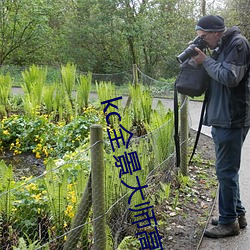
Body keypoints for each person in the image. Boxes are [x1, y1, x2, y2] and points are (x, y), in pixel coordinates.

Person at [192, 15, 250, 238]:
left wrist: (205, 61)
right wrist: (202, 60)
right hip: (222, 117)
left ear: (216, 32)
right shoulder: (221, 46)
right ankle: (237, 214)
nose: (203, 41)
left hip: (232, 118)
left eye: (204, 37)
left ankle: (228, 223)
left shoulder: (238, 44)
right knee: (227, 171)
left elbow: (229, 77)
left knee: (225, 171)